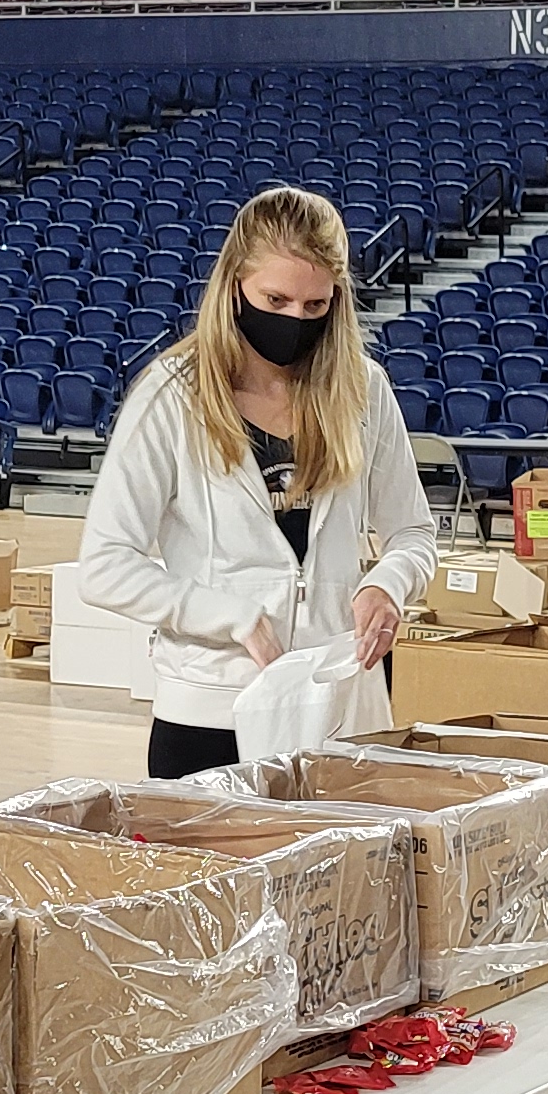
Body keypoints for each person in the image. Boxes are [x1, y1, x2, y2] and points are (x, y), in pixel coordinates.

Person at [81, 184, 437, 781]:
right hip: (212, 711)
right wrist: (231, 616)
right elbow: (105, 564)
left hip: (341, 709)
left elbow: (414, 533)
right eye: (276, 299)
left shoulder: (363, 389)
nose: (295, 321)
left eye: (315, 308)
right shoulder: (171, 396)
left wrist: (388, 586)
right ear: (234, 287)